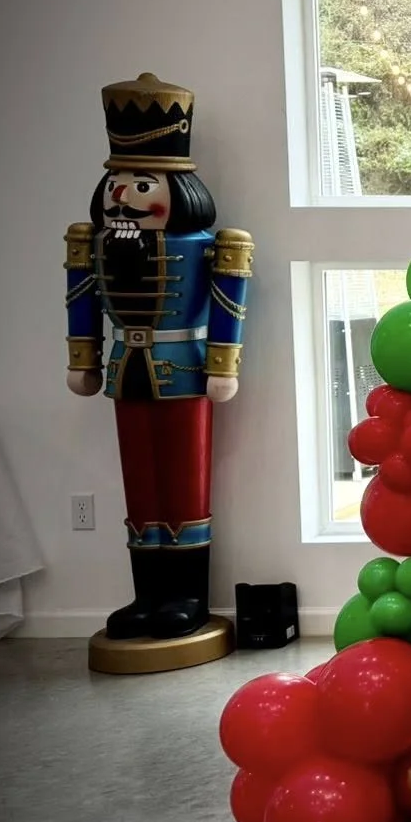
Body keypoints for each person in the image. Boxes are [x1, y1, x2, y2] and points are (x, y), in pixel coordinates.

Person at [66, 74, 251, 640]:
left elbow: (226, 299)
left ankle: (187, 597)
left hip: (183, 368)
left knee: (184, 482)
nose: (123, 195)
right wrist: (85, 358)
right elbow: (81, 298)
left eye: (141, 184)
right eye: (118, 182)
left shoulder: (207, 244)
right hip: (127, 370)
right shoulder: (93, 242)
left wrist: (224, 363)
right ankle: (147, 596)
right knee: (140, 483)